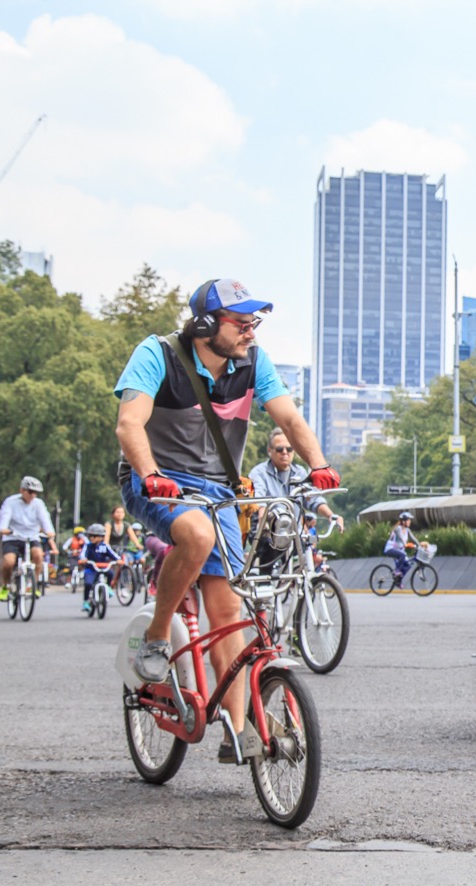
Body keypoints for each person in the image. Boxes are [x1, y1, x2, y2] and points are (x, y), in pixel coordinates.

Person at [114, 277, 339, 762]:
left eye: (253, 322)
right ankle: (156, 638)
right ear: (204, 324)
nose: (250, 332)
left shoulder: (253, 363)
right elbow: (130, 423)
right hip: (156, 480)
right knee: (195, 533)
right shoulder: (158, 354)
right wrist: (150, 474)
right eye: (240, 322)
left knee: (227, 612)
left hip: (217, 490)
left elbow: (290, 420)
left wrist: (318, 465)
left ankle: (237, 732)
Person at [247, 428, 344, 531]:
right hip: (267, 533)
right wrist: (262, 516)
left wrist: (331, 515)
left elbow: (313, 498)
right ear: (269, 451)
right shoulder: (259, 472)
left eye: (289, 449)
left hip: (294, 535)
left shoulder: (300, 472)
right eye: (279, 449)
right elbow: (258, 498)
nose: (285, 452)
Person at [0, 476, 58, 601]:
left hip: (31, 536)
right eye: (30, 492)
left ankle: (33, 585)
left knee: (38, 555)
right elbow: (4, 517)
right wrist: (3, 529)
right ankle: (5, 586)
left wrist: (50, 532)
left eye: (35, 493)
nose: (33, 495)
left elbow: (45, 520)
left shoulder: (38, 504)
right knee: (9, 562)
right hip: (12, 536)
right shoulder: (11, 502)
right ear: (22, 490)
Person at [77, 523, 120, 614]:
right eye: (90, 536)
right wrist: (83, 559)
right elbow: (82, 554)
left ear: (101, 537)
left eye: (95, 536)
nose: (92, 538)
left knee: (110, 574)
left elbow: (113, 554)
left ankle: (108, 588)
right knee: (88, 583)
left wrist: (118, 560)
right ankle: (85, 601)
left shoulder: (105, 546)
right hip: (91, 569)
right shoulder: (87, 546)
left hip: (103, 567)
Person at [106, 506, 140, 590]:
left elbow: (133, 537)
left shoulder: (126, 525)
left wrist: (138, 545)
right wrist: (106, 545)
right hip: (110, 548)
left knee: (124, 563)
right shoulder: (109, 524)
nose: (120, 514)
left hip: (120, 548)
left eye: (122, 512)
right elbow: (106, 537)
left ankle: (123, 584)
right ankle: (107, 582)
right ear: (113, 514)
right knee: (109, 565)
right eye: (117, 512)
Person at [382, 512, 421, 585]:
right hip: (390, 549)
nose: (410, 522)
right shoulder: (398, 529)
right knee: (402, 555)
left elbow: (413, 539)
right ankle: (397, 571)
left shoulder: (407, 530)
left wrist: (419, 545)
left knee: (408, 565)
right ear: (403, 521)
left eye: (410, 520)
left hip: (399, 551)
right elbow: (402, 539)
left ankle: (398, 581)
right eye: (408, 520)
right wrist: (406, 544)